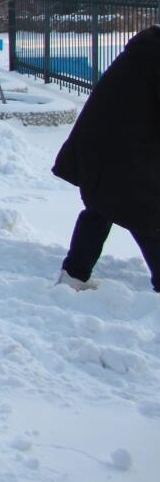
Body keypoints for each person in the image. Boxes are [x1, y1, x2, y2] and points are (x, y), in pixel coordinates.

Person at [52, 26, 160, 293]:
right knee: (146, 214)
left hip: (104, 143)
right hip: (120, 148)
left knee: (102, 206)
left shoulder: (147, 51)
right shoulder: (153, 57)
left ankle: (74, 275)